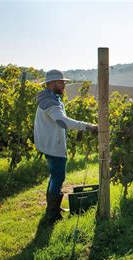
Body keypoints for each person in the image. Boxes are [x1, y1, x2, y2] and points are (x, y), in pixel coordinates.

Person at [34, 69, 98, 224]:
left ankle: (52, 208)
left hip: (49, 142)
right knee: (58, 177)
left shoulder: (51, 97)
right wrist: (87, 127)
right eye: (61, 82)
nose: (64, 85)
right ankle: (52, 215)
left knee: (54, 176)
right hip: (52, 145)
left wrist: (79, 129)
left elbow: (60, 121)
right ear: (50, 84)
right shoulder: (50, 101)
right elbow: (62, 121)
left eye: (64, 82)